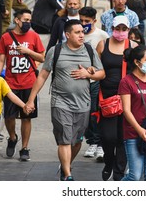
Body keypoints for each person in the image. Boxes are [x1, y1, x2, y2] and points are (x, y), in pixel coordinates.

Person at [26, 19, 105, 181]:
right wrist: (30, 100)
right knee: (65, 140)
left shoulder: (90, 51)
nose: (82, 35)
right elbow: (42, 75)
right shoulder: (55, 51)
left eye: (83, 32)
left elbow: (101, 73)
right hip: (60, 102)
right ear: (67, 35)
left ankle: (65, 166)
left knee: (76, 142)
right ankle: (68, 176)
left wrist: (88, 74)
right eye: (77, 32)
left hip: (83, 103)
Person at [0, 9, 45, 161]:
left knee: (26, 117)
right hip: (10, 83)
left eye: (30, 20)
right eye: (25, 20)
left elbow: (42, 58)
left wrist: (27, 51)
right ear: (17, 20)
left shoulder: (34, 36)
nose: (28, 23)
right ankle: (12, 138)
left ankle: (24, 148)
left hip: (29, 83)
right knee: (9, 117)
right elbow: (1, 61)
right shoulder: (6, 37)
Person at [96, 16, 138, 181]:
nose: (120, 32)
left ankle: (119, 172)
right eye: (117, 28)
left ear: (128, 30)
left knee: (123, 136)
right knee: (108, 136)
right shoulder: (103, 44)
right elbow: (96, 66)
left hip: (127, 96)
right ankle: (108, 161)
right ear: (111, 28)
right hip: (106, 96)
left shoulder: (133, 46)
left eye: (124, 29)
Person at [118, 45, 146, 181]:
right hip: (133, 132)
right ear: (137, 62)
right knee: (134, 176)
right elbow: (126, 110)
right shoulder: (126, 82)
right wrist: (139, 130)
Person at [79, 7, 108, 160]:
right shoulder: (77, 34)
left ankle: (97, 143)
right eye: (81, 20)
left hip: (95, 79)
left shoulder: (102, 36)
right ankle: (92, 140)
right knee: (84, 113)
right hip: (79, 80)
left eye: (87, 21)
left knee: (94, 112)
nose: (83, 24)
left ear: (94, 21)